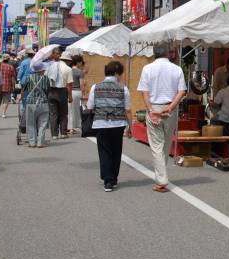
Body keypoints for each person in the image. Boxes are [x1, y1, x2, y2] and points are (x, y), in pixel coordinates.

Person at [137, 44, 186, 193]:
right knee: (165, 144)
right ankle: (161, 176)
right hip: (170, 108)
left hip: (155, 107)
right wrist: (170, 107)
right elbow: (182, 91)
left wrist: (151, 111)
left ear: (154, 53)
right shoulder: (177, 69)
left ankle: (162, 179)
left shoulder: (147, 69)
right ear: (168, 53)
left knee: (157, 145)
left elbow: (144, 92)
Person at [87, 61, 132, 192]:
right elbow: (128, 110)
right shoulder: (124, 88)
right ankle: (114, 178)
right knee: (116, 151)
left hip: (101, 123)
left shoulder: (95, 87)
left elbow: (90, 107)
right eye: (121, 74)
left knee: (104, 151)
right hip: (118, 124)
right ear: (117, 73)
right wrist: (130, 127)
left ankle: (107, 180)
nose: (121, 77)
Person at [46, 48, 73, 139]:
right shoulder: (68, 69)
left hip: (51, 91)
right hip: (62, 91)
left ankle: (54, 134)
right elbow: (69, 85)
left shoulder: (50, 66)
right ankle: (63, 133)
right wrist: (70, 97)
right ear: (67, 61)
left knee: (53, 114)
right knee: (63, 113)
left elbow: (45, 79)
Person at [23, 65, 50, 148]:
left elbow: (24, 89)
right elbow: (48, 90)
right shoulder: (45, 78)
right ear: (41, 70)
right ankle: (40, 142)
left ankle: (32, 142)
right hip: (43, 103)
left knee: (30, 123)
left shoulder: (29, 78)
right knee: (43, 124)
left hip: (31, 103)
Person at [68, 54, 86, 134]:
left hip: (69, 91)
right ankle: (78, 125)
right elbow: (81, 84)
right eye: (81, 62)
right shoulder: (80, 72)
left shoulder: (68, 70)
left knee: (70, 110)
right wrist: (83, 94)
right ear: (78, 62)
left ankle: (70, 128)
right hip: (77, 91)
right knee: (78, 110)